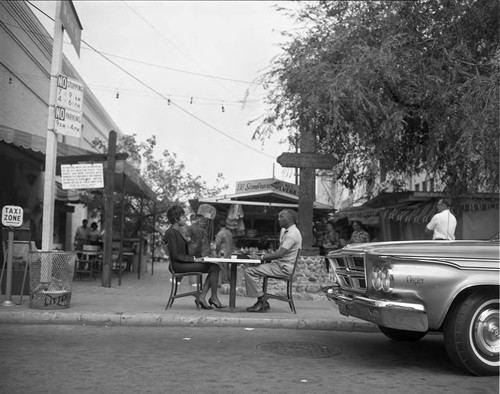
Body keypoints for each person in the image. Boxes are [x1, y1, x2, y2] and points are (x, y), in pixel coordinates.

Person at [163, 205, 225, 310]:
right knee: (214, 267)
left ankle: (205, 297)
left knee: (214, 267)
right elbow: (176, 255)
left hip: (181, 263)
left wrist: (197, 258)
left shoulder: (176, 231)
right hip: (177, 265)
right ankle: (209, 297)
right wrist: (195, 260)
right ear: (176, 218)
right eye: (183, 217)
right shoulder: (171, 233)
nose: (185, 218)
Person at [244, 209, 302, 312]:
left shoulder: (292, 234)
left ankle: (262, 301)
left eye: (281, 217)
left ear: (289, 219)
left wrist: (261, 257)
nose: (278, 219)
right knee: (253, 269)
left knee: (250, 271)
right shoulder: (287, 231)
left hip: (283, 268)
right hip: (279, 265)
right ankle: (261, 300)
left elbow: (280, 254)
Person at [214, 218, 234, 285]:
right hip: (229, 253)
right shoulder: (229, 233)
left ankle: (225, 283)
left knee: (223, 269)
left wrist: (215, 253)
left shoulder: (220, 234)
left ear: (219, 225)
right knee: (227, 268)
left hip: (222, 253)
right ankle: (228, 281)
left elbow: (217, 245)